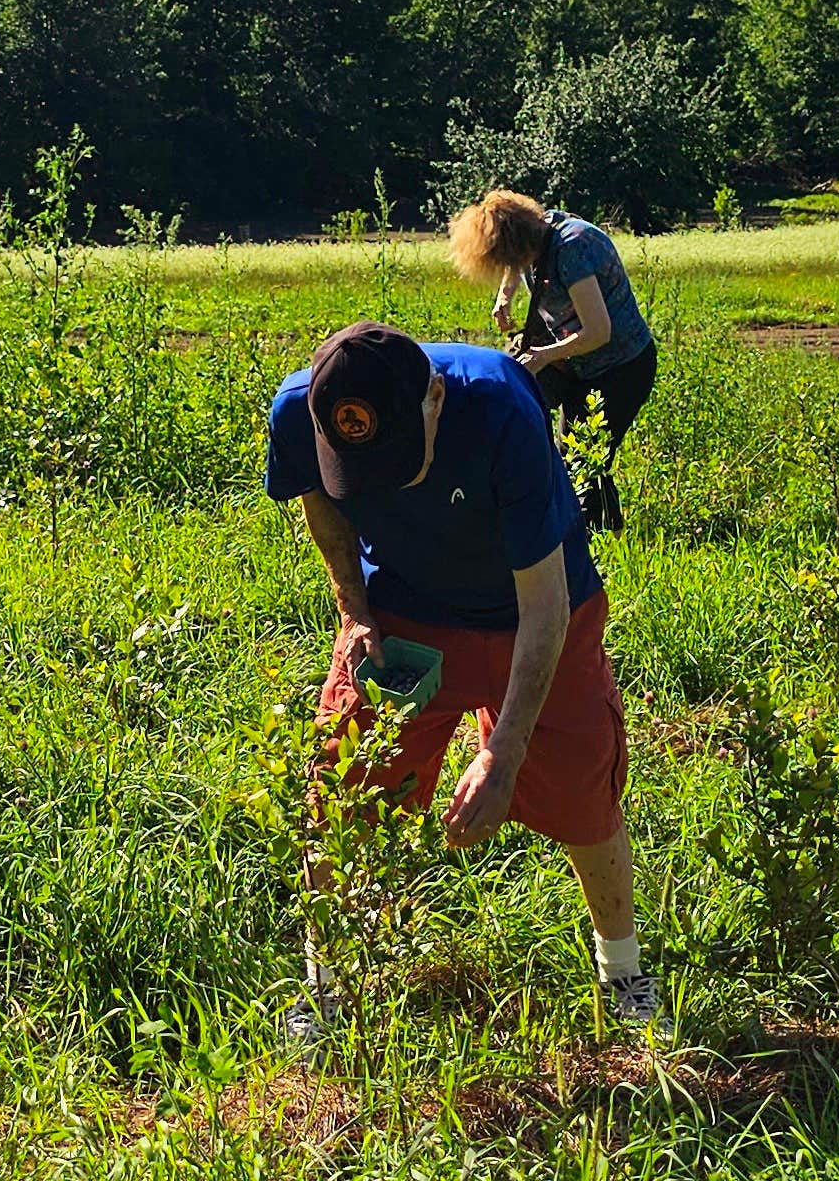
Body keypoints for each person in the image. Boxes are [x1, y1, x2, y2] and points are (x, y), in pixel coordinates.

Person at [265, 320, 666, 1040]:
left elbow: (543, 606)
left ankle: (623, 970)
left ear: (435, 400)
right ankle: (325, 989)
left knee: (579, 790)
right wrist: (354, 611)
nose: (383, 484)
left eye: (397, 458)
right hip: (403, 614)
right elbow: (316, 500)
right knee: (343, 788)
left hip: (533, 610)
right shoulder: (301, 409)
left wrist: (503, 753)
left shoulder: (501, 409)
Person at [449, 187, 659, 533]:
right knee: (512, 407)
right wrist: (505, 297)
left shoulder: (572, 248)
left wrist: (542, 356)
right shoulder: (539, 232)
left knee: (583, 457)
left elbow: (598, 331)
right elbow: (517, 265)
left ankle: (600, 537)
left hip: (619, 368)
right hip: (573, 362)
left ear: (519, 243)